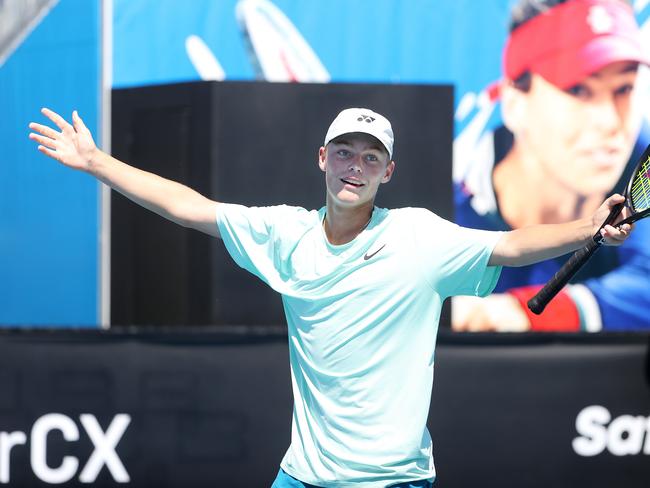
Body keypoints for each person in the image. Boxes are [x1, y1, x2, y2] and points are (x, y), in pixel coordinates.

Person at [29, 106, 632, 487]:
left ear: (387, 173)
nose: (355, 166)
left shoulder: (420, 237)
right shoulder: (284, 233)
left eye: (371, 158)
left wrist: (589, 229)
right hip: (303, 477)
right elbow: (190, 207)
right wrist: (98, 162)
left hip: (395, 482)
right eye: (344, 152)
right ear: (323, 158)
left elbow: (512, 245)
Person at [452, 0, 650, 333]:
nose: (610, 122)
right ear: (514, 102)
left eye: (624, 88)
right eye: (578, 89)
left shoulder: (642, 154)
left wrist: (527, 313)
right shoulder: (451, 192)